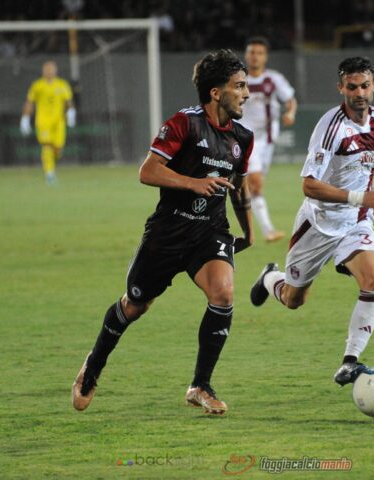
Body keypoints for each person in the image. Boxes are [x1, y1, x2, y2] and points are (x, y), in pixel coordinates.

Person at [71, 49, 254, 416]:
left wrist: (247, 231)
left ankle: (200, 385)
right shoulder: (183, 124)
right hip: (168, 231)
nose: (246, 93)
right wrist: (192, 183)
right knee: (135, 305)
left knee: (224, 292)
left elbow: (240, 185)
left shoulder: (242, 137)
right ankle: (93, 366)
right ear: (216, 92)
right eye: (239, 86)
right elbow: (147, 171)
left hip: (210, 231)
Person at [250, 56, 374, 387]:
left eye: (365, 86)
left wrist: (361, 205)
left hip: (356, 223)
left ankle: (349, 361)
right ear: (341, 87)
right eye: (352, 86)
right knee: (293, 300)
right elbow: (309, 185)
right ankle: (271, 277)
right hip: (318, 224)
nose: (359, 93)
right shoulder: (331, 128)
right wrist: (360, 197)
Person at [238, 36, 297, 243]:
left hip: (267, 140)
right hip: (246, 139)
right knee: (255, 183)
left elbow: (290, 101)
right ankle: (268, 230)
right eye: (252, 52)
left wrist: (290, 113)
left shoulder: (273, 79)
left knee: (252, 186)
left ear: (265, 57)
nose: (255, 56)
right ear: (246, 55)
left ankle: (250, 231)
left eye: (259, 53)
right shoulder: (238, 79)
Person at [20, 61, 75, 184]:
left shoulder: (62, 85)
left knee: (57, 149)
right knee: (46, 146)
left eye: (52, 69)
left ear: (56, 71)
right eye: (47, 69)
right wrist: (25, 118)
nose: (49, 71)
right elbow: (30, 102)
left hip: (59, 122)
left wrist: (71, 112)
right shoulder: (37, 85)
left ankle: (52, 163)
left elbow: (68, 100)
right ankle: (49, 174)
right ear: (43, 71)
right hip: (43, 122)